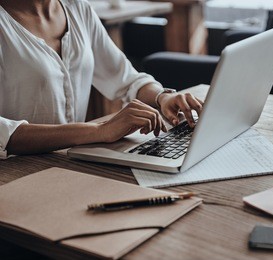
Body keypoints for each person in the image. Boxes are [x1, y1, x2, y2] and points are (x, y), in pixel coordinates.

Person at [0, 0, 203, 159]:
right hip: (16, 169)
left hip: (70, 161)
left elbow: (126, 78)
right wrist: (98, 131)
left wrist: (162, 97)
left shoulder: (79, 9)